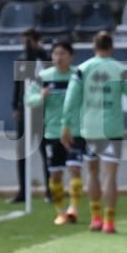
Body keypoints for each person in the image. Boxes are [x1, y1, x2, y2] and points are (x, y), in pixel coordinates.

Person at [61, 31, 127, 234]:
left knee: (92, 172)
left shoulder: (82, 69)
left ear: (93, 47)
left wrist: (66, 125)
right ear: (111, 47)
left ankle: (95, 217)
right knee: (111, 175)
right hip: (113, 128)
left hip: (90, 128)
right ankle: (109, 220)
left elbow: (70, 99)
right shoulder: (120, 69)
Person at [25, 39, 84, 225]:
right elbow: (28, 99)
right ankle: (60, 211)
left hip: (75, 131)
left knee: (75, 169)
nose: (58, 58)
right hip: (52, 132)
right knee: (55, 174)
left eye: (62, 54)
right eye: (55, 54)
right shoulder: (43, 77)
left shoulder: (78, 75)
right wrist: (40, 97)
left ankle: (73, 208)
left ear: (71, 56)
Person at [9, 29, 49, 203]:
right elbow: (17, 85)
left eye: (27, 41)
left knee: (46, 152)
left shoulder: (46, 58)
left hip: (42, 110)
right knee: (22, 152)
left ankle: (51, 190)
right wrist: (15, 106)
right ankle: (23, 191)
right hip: (25, 109)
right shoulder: (21, 59)